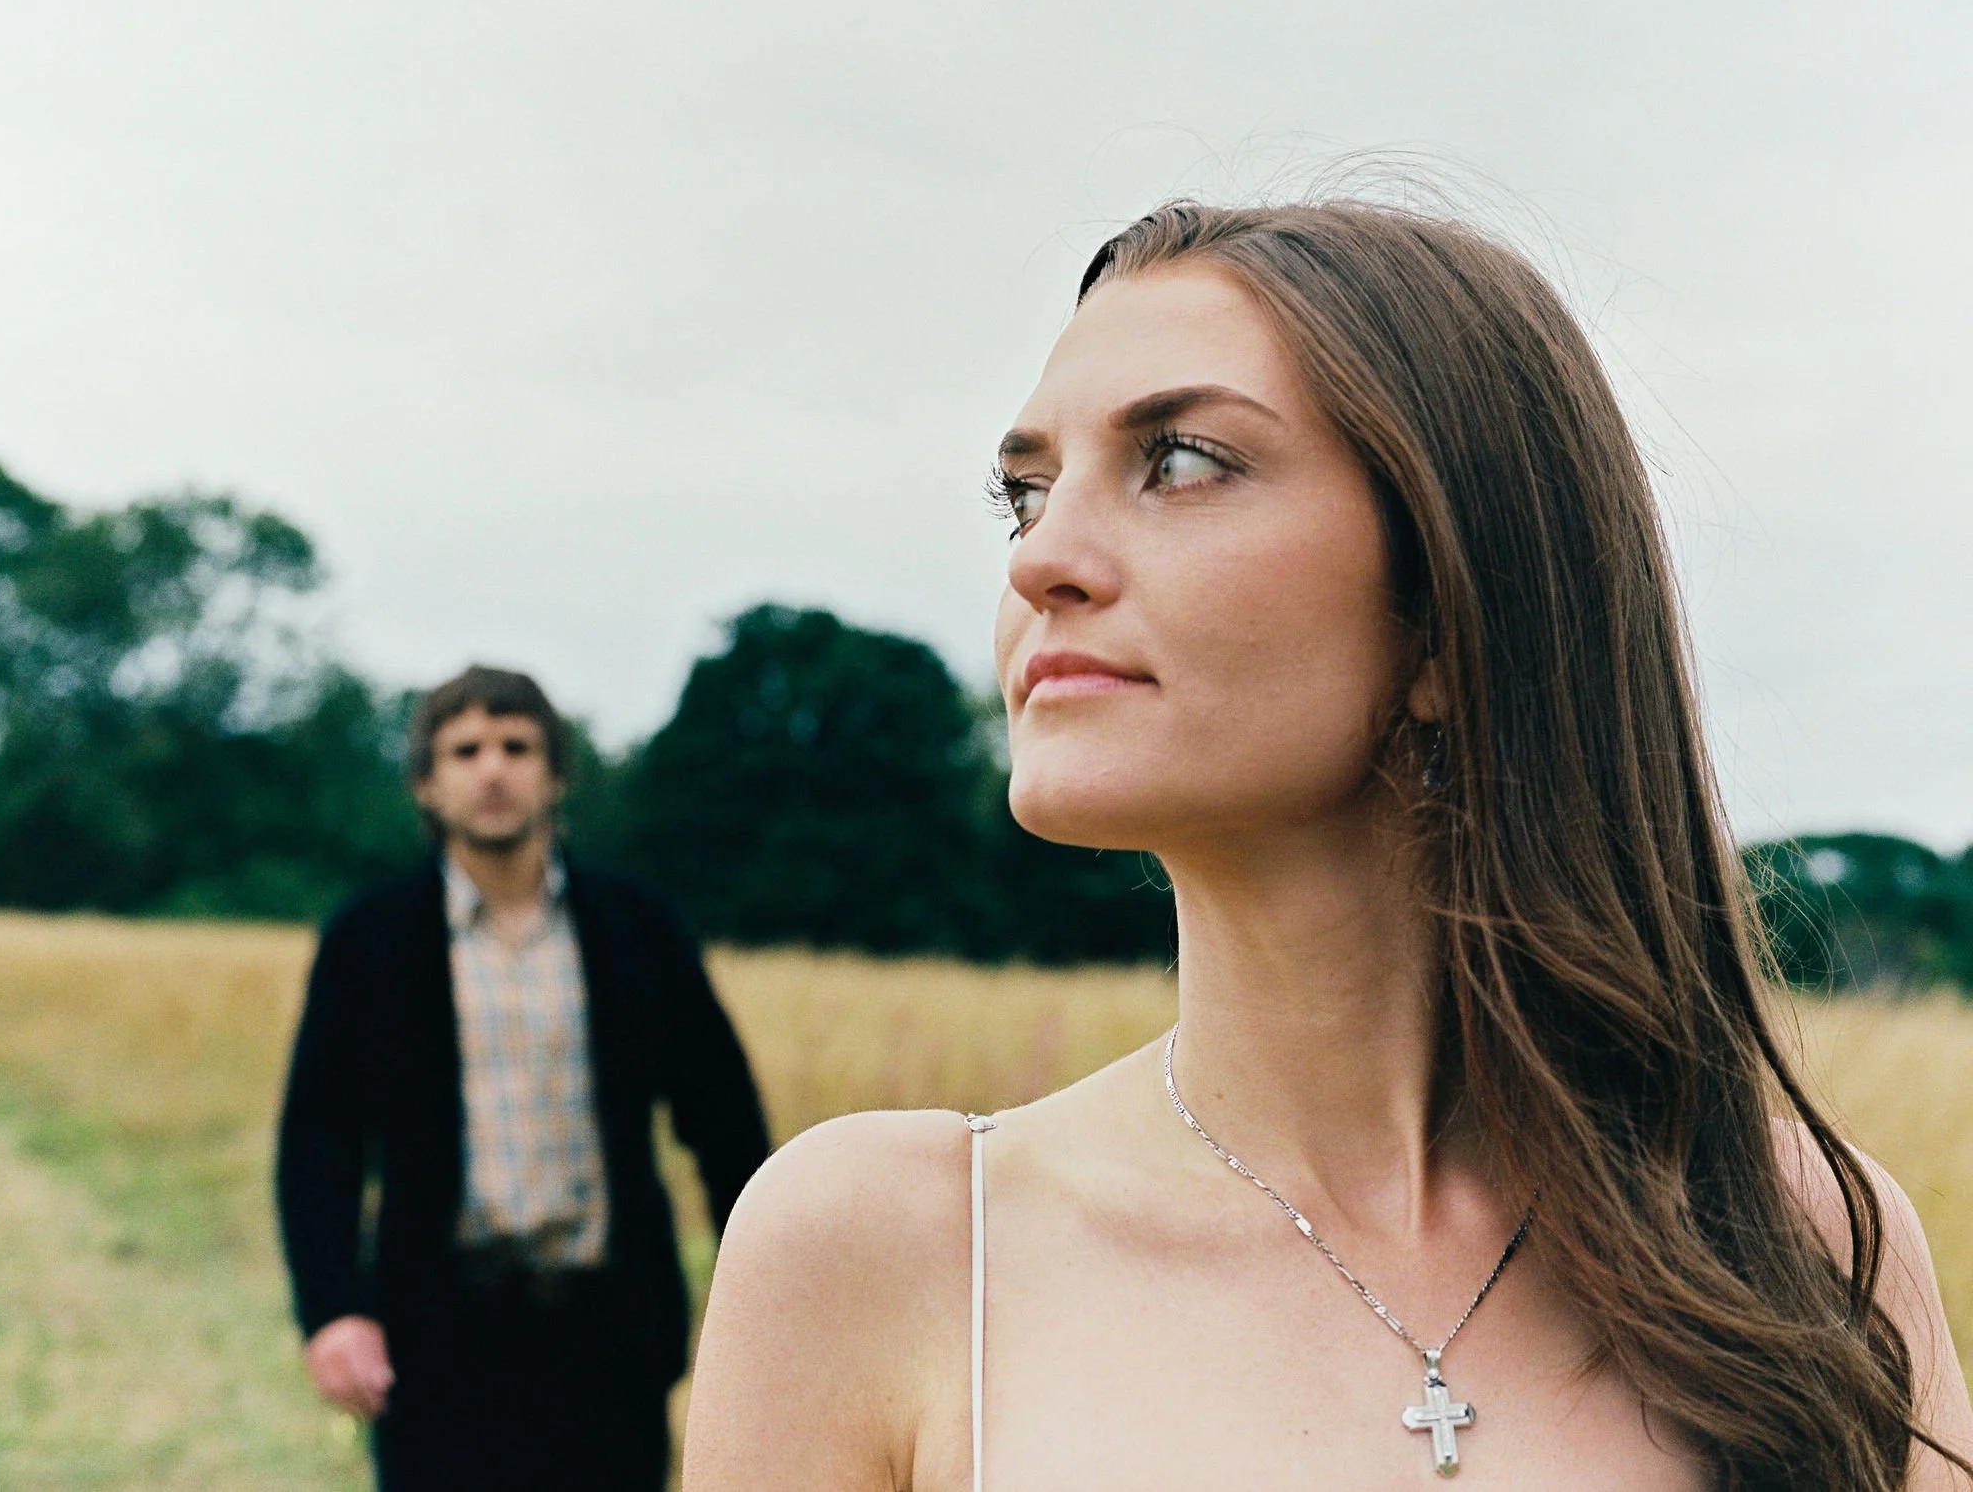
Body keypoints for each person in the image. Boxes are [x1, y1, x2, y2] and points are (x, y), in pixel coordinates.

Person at [680, 203, 1973, 1491]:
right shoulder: (883, 1247)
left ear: (1448, 605)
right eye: (1025, 492)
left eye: (1181, 460)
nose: (1045, 559)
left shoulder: (1801, 1239)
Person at [276, 664, 769, 1492]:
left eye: (517, 745)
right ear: (428, 786)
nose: (494, 768)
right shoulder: (372, 938)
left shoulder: (635, 927)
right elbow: (320, 1137)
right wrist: (333, 1309)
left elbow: (723, 1118)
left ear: (557, 774)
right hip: (437, 1330)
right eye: (465, 750)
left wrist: (767, 1287)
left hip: (608, 1331)